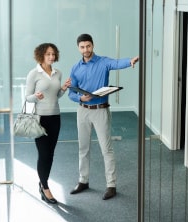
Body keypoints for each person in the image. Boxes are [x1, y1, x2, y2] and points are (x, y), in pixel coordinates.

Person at [68, 33, 139, 200]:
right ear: (78, 48)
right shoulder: (75, 68)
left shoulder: (103, 62)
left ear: (93, 45)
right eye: (82, 47)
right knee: (83, 148)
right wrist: (80, 98)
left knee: (106, 149)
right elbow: (71, 92)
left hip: (100, 110)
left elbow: (117, 63)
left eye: (88, 46)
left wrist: (130, 61)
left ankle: (111, 185)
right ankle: (83, 181)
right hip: (83, 111)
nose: (86, 49)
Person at [25, 43, 71, 203]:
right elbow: (27, 97)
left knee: (50, 155)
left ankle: (42, 182)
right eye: (48, 54)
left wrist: (63, 89)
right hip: (40, 119)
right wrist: (35, 96)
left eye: (53, 54)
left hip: (55, 118)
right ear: (41, 55)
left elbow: (56, 95)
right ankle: (45, 188)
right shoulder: (34, 74)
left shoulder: (58, 73)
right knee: (43, 154)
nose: (51, 57)